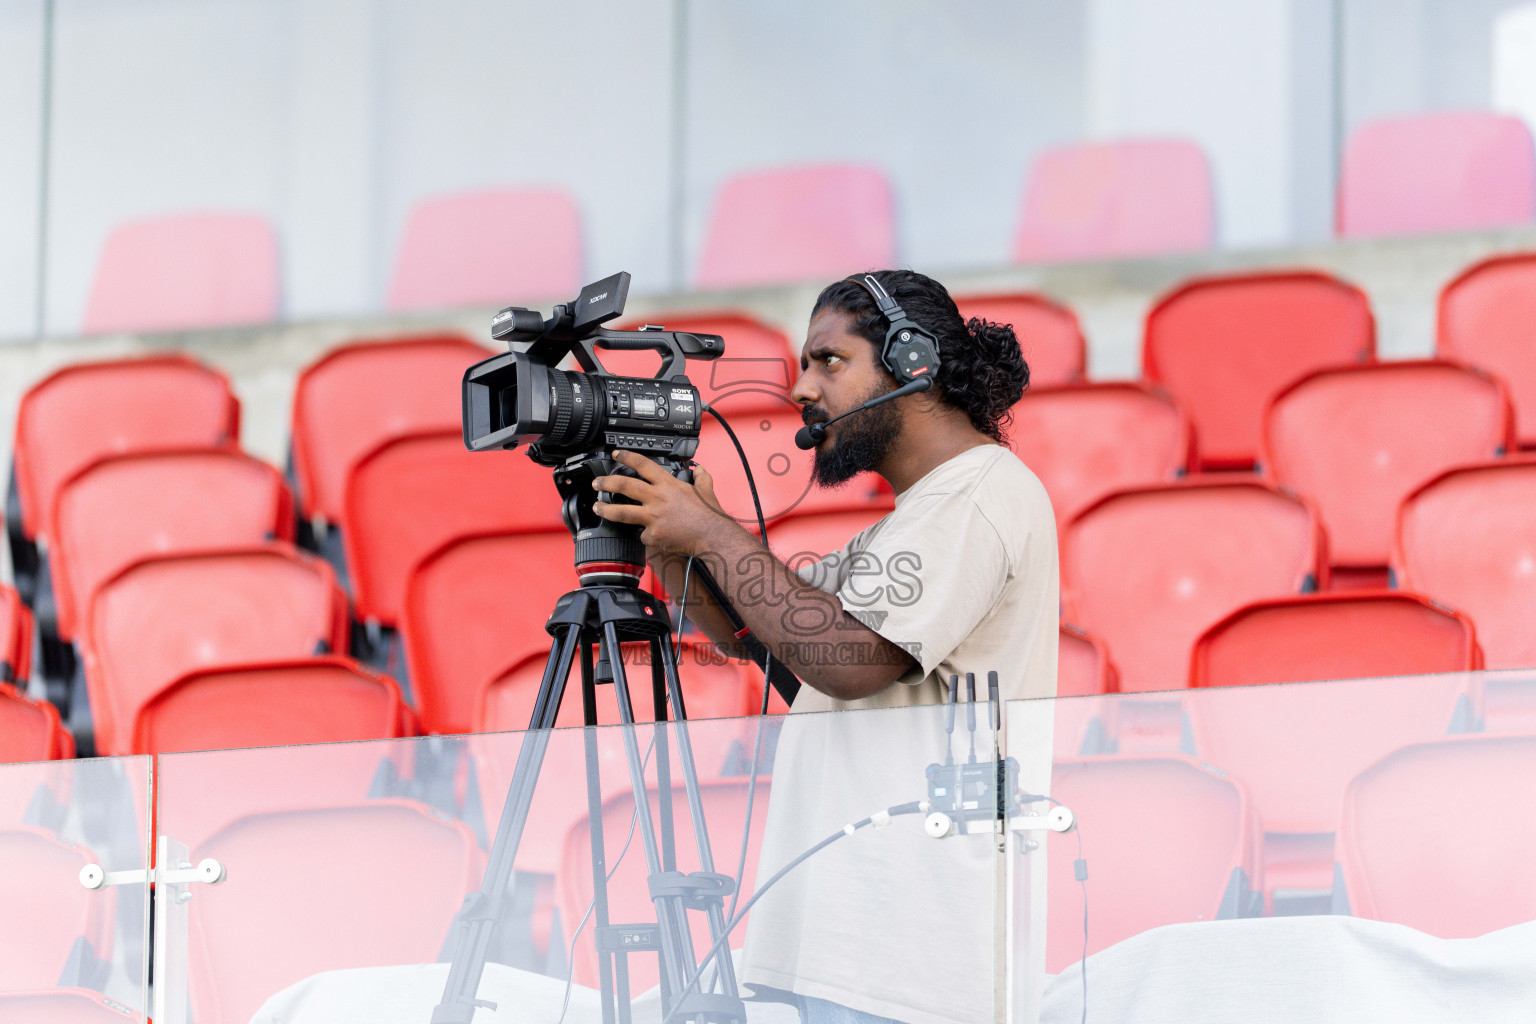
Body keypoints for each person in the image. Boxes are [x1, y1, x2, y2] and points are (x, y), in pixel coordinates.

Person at [591, 269, 1059, 1024]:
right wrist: (680, 541)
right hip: (871, 948)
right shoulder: (917, 518)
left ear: (913, 363)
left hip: (917, 962)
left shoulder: (978, 494)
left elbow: (849, 659)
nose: (802, 389)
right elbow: (776, 649)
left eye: (827, 362)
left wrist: (714, 533)